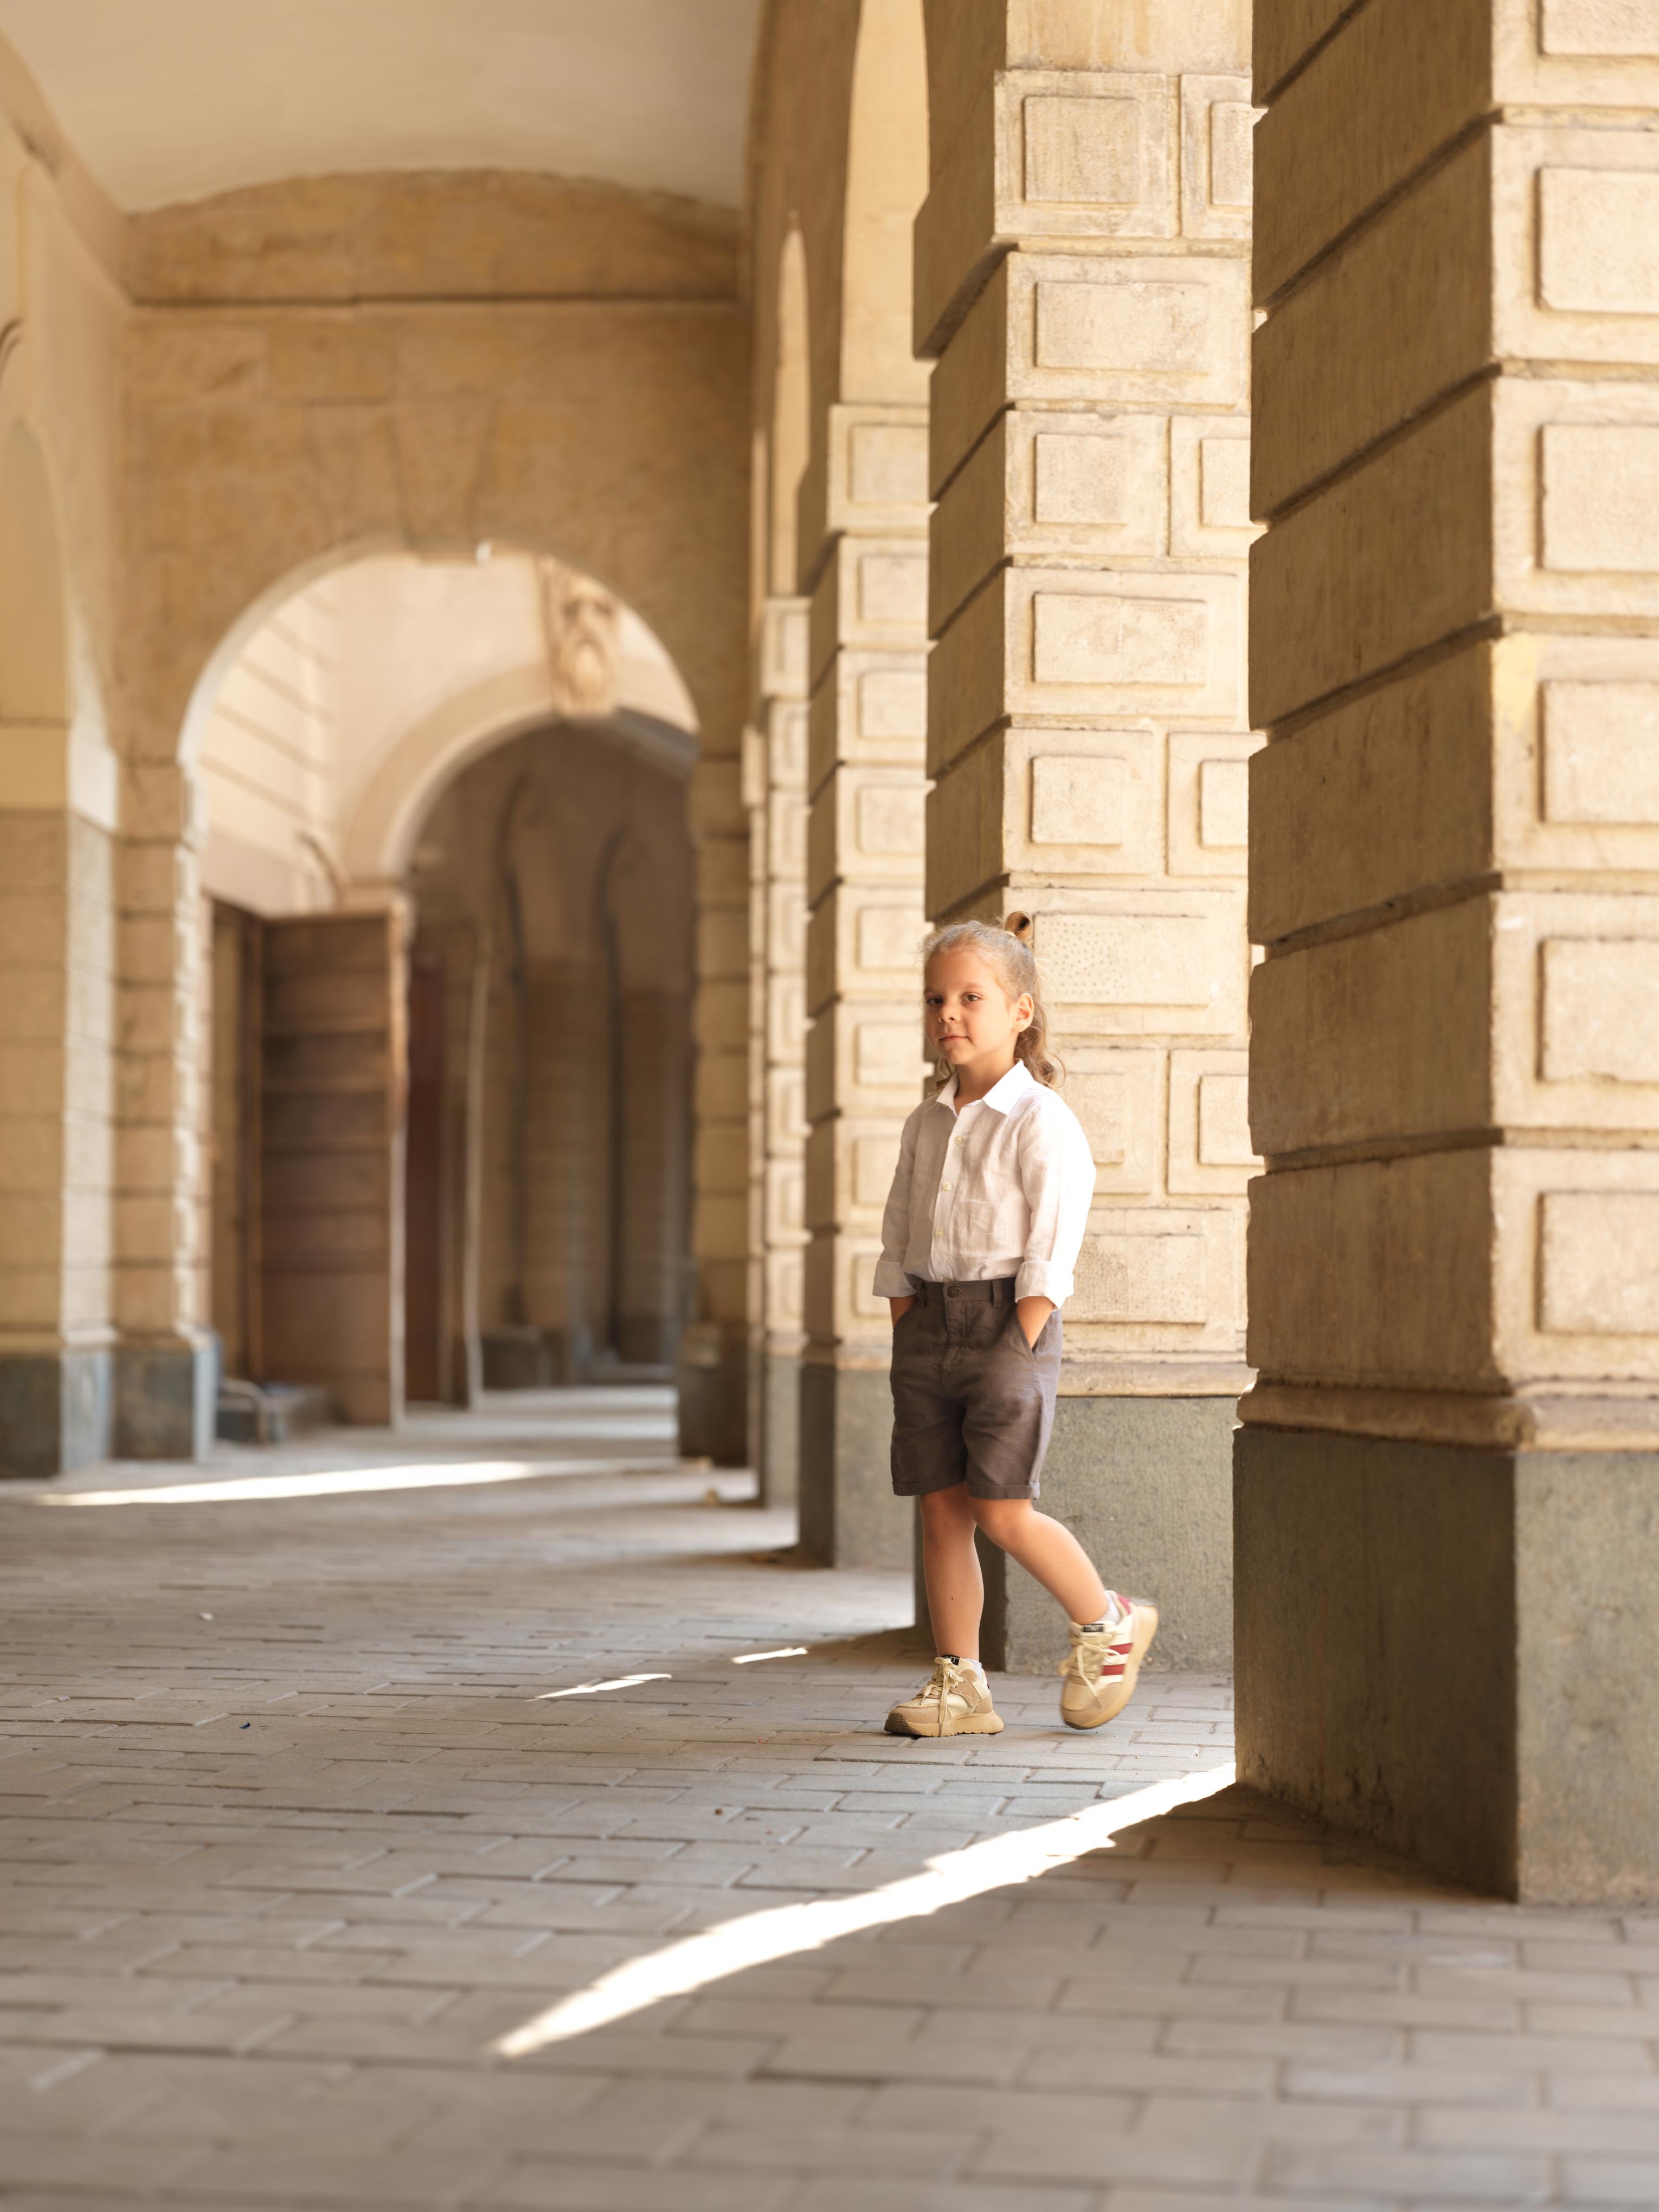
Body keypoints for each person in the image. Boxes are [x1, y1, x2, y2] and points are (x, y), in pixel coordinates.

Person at [873, 919, 1158, 1739]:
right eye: (938, 999)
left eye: (971, 998)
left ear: (1020, 1011)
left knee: (1002, 1509)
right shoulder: (925, 1122)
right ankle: (960, 1686)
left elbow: (1053, 1234)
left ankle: (1107, 1622)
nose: (949, 1015)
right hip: (929, 1324)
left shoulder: (1039, 1117)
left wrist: (1023, 1327)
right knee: (940, 1509)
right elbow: (899, 1228)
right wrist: (905, 1314)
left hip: (1006, 1325)